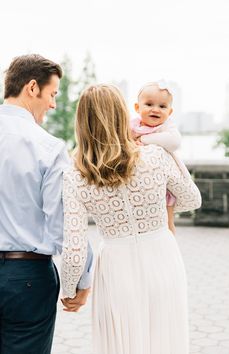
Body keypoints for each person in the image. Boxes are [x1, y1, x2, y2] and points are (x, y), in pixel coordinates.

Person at [61, 84, 201, 354]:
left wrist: (69, 291)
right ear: (123, 114)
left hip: (116, 267)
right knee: (164, 342)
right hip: (163, 255)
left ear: (82, 122)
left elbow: (75, 250)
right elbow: (192, 200)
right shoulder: (156, 155)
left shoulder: (75, 175)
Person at [0, 54, 92, 354]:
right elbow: (65, 224)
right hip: (25, 277)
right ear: (31, 87)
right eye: (52, 94)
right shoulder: (49, 148)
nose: (53, 104)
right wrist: (80, 279)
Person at [131, 81, 189, 234]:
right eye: (149, 104)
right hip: (141, 182)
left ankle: (169, 246)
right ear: (137, 108)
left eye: (162, 106)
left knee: (167, 223)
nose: (155, 110)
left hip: (164, 184)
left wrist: (144, 139)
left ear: (169, 112)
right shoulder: (132, 126)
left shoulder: (166, 126)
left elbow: (174, 142)